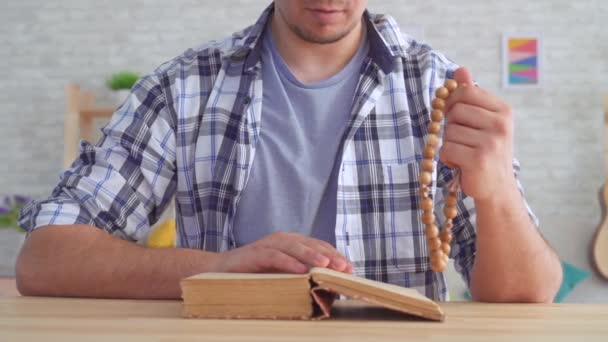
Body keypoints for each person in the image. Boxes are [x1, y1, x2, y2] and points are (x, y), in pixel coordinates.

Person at [16, 0, 562, 302]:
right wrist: (218, 269)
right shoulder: (183, 87)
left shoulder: (439, 91)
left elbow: (530, 292)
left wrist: (498, 197)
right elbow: (45, 260)